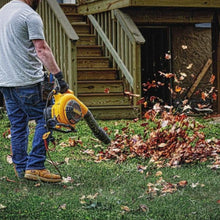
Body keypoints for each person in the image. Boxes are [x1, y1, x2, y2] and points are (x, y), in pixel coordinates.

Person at [0, 0, 69, 182]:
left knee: (18, 125)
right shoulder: (29, 15)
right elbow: (42, 49)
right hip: (27, 81)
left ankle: (21, 169)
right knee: (47, 118)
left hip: (6, 81)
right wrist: (59, 77)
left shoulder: (3, 12)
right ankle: (36, 166)